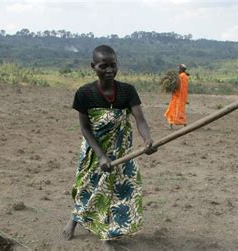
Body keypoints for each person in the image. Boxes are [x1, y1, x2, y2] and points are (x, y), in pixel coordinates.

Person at [62, 45, 157, 250]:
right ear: (93, 66)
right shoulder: (84, 93)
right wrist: (102, 156)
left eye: (113, 65)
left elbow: (140, 120)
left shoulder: (127, 91)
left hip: (123, 153)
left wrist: (147, 140)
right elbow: (85, 129)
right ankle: (75, 219)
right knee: (87, 188)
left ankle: (108, 236)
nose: (109, 70)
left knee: (120, 192)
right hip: (95, 153)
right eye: (103, 66)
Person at [164, 64, 189, 129]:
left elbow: (180, 86)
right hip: (177, 97)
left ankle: (184, 124)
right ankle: (171, 125)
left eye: (179, 69)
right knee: (173, 110)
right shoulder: (184, 76)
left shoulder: (182, 76)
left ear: (182, 69)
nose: (178, 70)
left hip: (179, 97)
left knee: (178, 111)